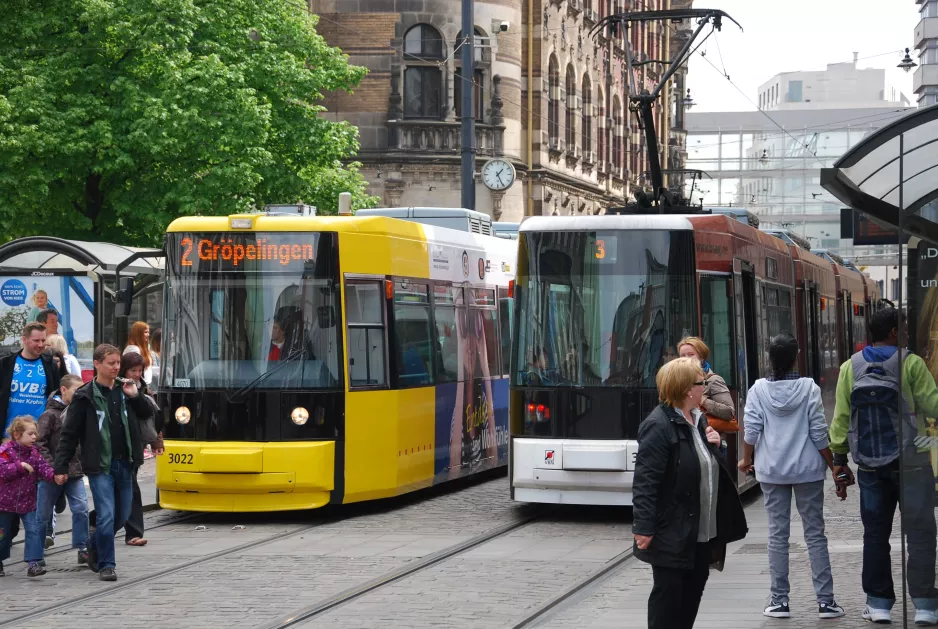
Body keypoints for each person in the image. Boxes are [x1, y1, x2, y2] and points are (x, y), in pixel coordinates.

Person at [830, 307, 938, 625]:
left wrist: (839, 460)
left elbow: (840, 419)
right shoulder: (912, 363)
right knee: (920, 534)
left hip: (870, 467)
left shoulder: (851, 366)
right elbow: (933, 406)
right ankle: (924, 606)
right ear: (893, 332)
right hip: (913, 464)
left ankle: (878, 604)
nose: (905, 333)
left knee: (875, 535)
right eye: (902, 328)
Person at [632, 357, 748, 629]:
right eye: (701, 383)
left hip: (700, 532)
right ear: (687, 389)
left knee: (691, 598)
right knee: (669, 603)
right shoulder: (658, 426)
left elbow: (701, 466)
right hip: (672, 533)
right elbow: (645, 483)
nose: (704, 388)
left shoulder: (697, 420)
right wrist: (644, 527)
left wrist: (715, 448)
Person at [739, 334, 845, 619]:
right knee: (815, 534)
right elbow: (819, 432)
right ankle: (826, 602)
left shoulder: (758, 390)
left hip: (772, 471)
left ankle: (779, 601)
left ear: (769, 358)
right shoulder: (809, 388)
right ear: (796, 357)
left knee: (777, 535)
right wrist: (833, 464)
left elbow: (751, 431)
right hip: (808, 470)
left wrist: (746, 460)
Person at [53, 344, 153, 582]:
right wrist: (60, 466)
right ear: (97, 364)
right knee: (106, 515)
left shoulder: (125, 390)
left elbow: (148, 413)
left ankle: (92, 543)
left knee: (123, 514)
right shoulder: (84, 396)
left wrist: (136, 396)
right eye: (111, 363)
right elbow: (70, 434)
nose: (116, 367)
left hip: (125, 463)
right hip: (100, 466)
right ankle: (107, 564)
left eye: (118, 363)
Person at [34, 375, 90, 567]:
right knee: (42, 514)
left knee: (82, 509)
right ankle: (36, 551)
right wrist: (51, 467)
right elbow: (39, 444)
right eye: (76, 391)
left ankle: (82, 548)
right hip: (50, 474)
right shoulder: (49, 415)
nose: (79, 395)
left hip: (74, 471)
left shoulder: (80, 412)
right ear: (64, 390)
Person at [0, 416, 63, 577]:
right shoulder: (5, 451)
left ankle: (34, 562)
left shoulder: (34, 453)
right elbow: (4, 471)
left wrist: (54, 476)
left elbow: (43, 467)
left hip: (27, 501)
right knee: (3, 533)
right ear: (17, 434)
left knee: (33, 530)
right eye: (30, 434)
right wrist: (20, 466)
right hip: (4, 502)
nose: (35, 437)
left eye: (35, 434)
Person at [117, 351, 163, 547]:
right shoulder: (114, 389)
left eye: (139, 370)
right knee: (117, 490)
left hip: (135, 446)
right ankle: (95, 521)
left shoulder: (143, 389)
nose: (136, 374)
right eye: (132, 370)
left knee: (131, 488)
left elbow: (150, 417)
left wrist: (156, 441)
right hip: (117, 444)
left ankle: (133, 532)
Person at [0, 322, 60, 435]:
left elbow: (55, 398)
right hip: (9, 435)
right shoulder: (6, 364)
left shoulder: (50, 365)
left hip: (38, 436)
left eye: (43, 340)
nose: (41, 344)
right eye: (36, 340)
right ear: (24, 340)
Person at [123, 321, 153, 386]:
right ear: (138, 334)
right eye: (146, 332)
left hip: (144, 385)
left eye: (148, 332)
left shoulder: (144, 348)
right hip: (137, 386)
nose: (148, 335)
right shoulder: (133, 349)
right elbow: (132, 371)